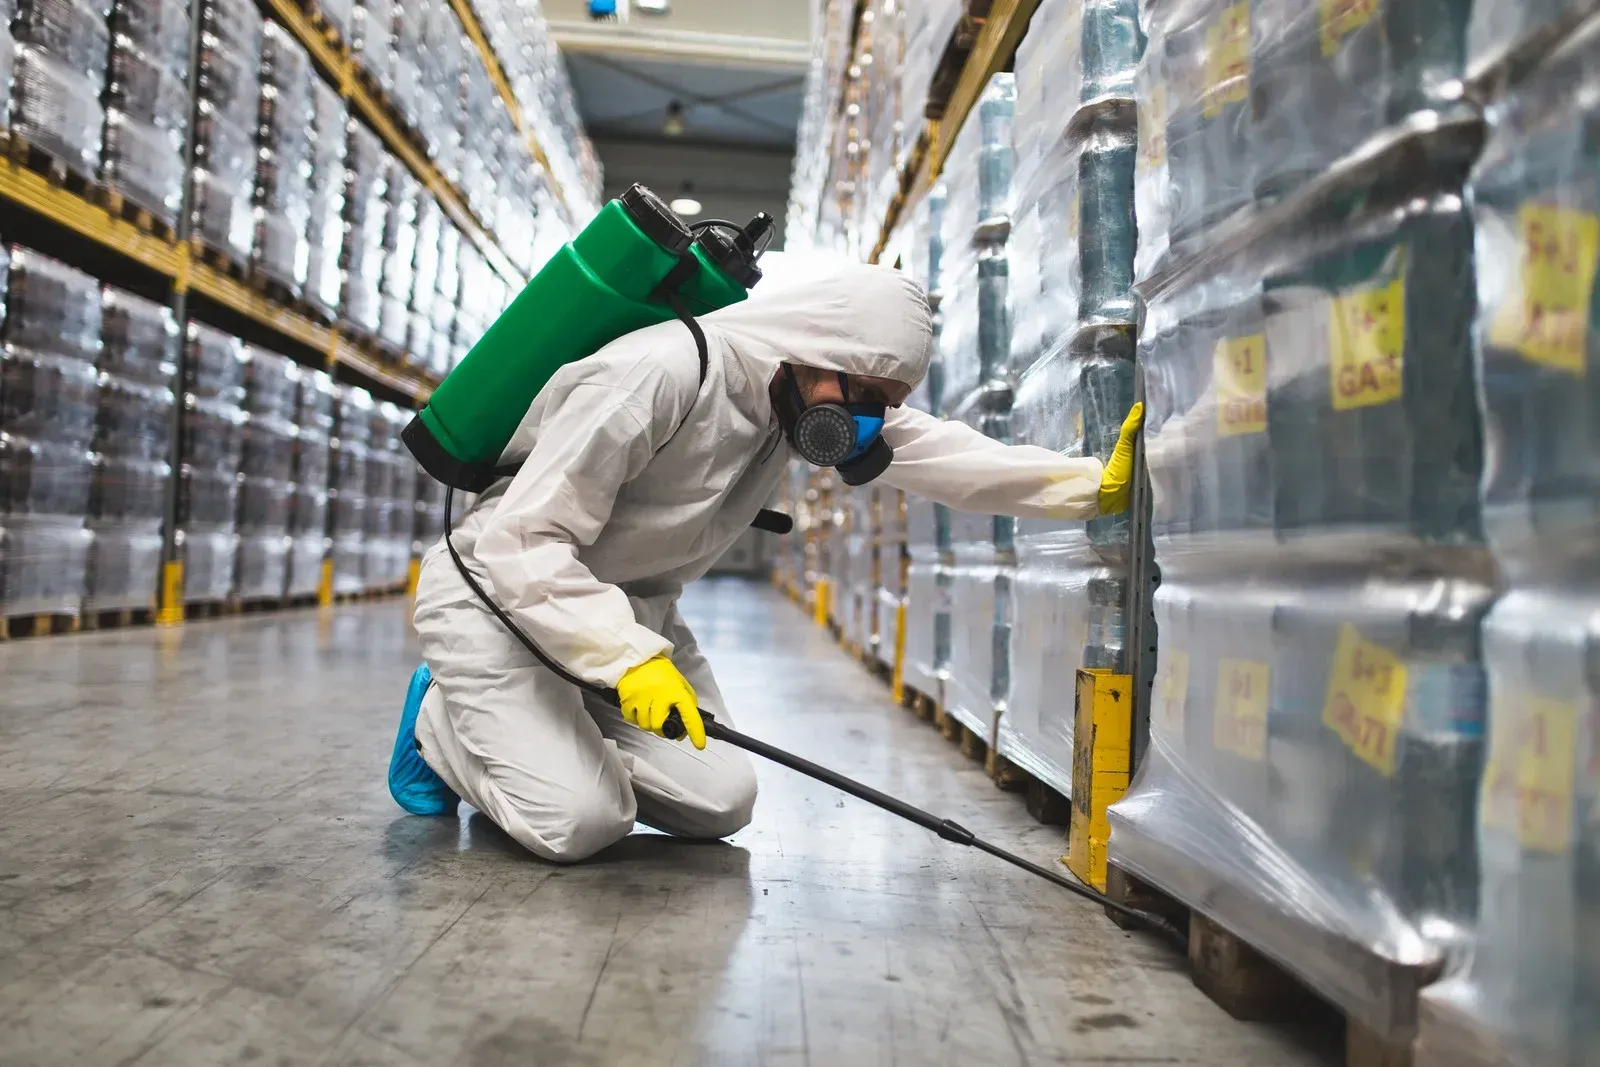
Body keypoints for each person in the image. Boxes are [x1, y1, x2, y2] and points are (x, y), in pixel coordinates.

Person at [388, 263, 1143, 863]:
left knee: (721, 800)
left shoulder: (800, 401)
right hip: (502, 604)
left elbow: (943, 454)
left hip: (626, 624)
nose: (870, 420)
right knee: (581, 822)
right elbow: (520, 540)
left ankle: (544, 731)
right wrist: (624, 659)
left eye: (888, 401)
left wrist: (1085, 486)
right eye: (869, 395)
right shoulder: (658, 375)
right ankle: (439, 719)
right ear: (821, 350)